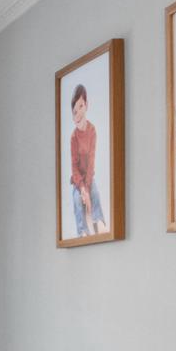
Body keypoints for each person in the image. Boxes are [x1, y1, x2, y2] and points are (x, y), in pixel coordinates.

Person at [68, 84, 107, 237]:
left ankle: (99, 222)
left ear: (86, 106)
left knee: (95, 194)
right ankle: (82, 231)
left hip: (88, 177)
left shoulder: (92, 131)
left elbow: (91, 161)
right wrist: (83, 189)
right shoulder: (73, 137)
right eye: (75, 111)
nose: (78, 113)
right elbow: (74, 167)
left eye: (81, 106)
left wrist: (88, 188)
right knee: (77, 201)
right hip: (78, 181)